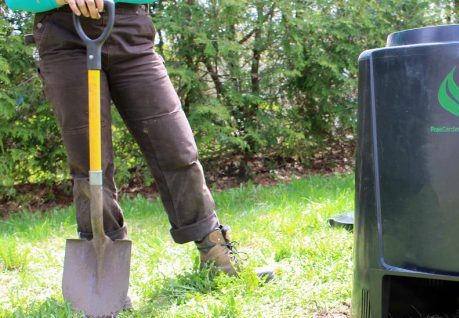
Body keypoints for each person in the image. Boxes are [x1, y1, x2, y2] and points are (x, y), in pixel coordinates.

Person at [7, 0, 273, 282]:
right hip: (65, 35)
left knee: (176, 147)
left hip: (130, 29)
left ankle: (215, 254)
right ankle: (105, 273)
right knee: (91, 162)